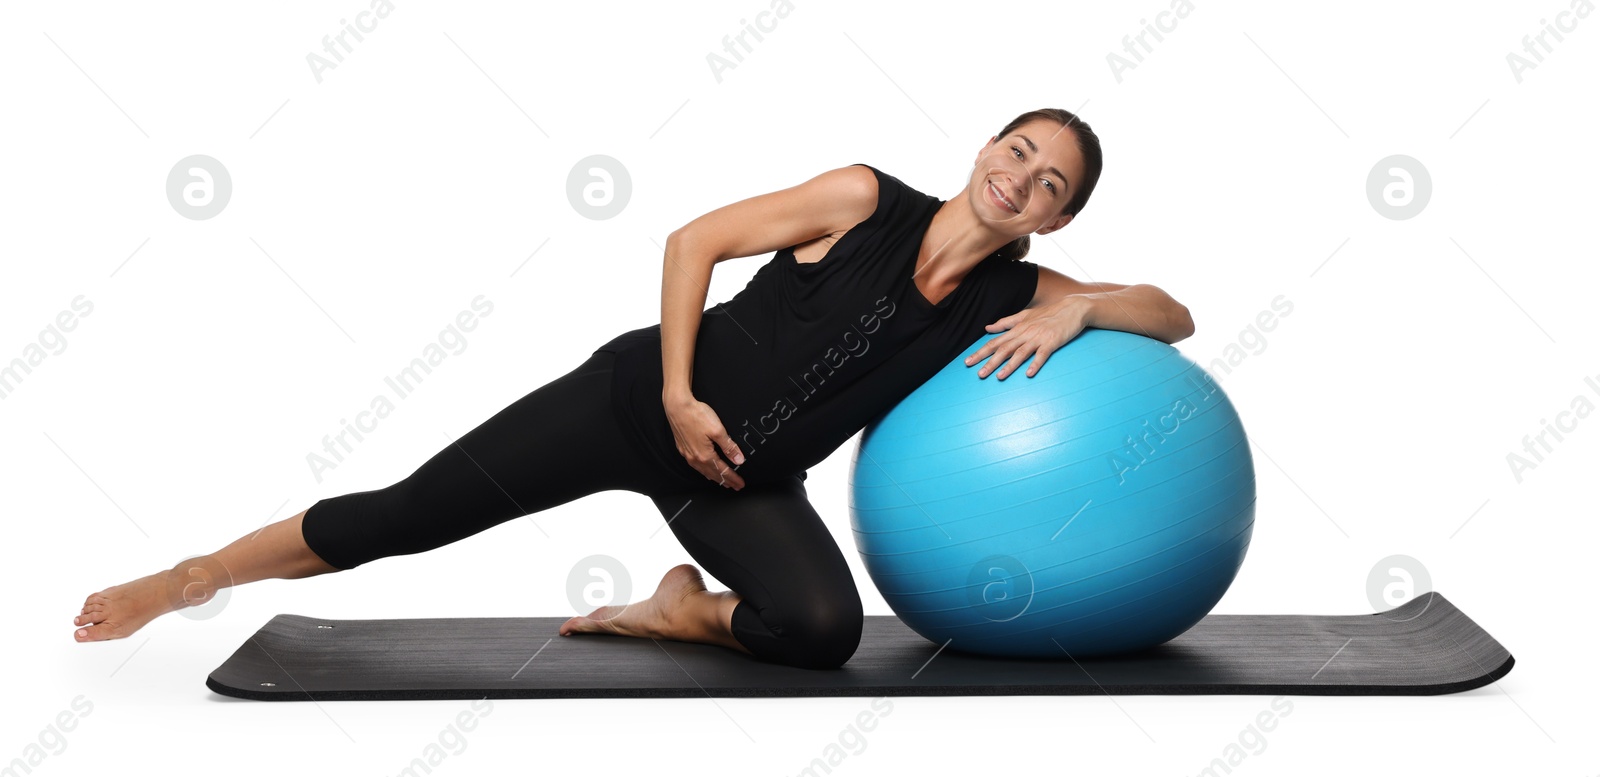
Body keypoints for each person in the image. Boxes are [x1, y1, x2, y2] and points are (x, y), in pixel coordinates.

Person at [71, 108, 1194, 670]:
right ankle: (196, 572)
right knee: (403, 519)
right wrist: (673, 392)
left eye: (1049, 184)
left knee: (818, 632)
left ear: (1055, 218)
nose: (1020, 180)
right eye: (1018, 151)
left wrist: (1081, 305)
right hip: (628, 410)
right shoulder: (861, 196)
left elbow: (1173, 312)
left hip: (742, 482)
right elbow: (691, 240)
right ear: (985, 146)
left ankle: (677, 612)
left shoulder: (1015, 285)